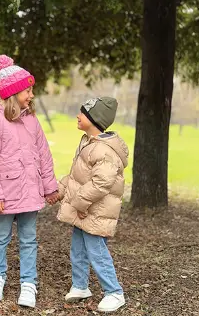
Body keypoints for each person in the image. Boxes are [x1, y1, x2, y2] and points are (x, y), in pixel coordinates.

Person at [0, 55, 60, 308]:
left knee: (28, 239)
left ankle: (28, 283)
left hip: (30, 194)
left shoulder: (32, 121)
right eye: (27, 90)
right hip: (5, 194)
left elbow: (44, 156)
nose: (31, 95)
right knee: (1, 237)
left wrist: (49, 187)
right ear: (13, 92)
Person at [56, 96, 129, 312]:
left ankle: (114, 292)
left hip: (96, 211)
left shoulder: (105, 151)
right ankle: (80, 286)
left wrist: (79, 204)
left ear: (94, 119)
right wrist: (58, 190)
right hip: (86, 209)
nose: (78, 116)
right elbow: (77, 177)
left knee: (96, 250)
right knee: (77, 248)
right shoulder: (89, 143)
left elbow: (100, 184)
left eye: (82, 113)